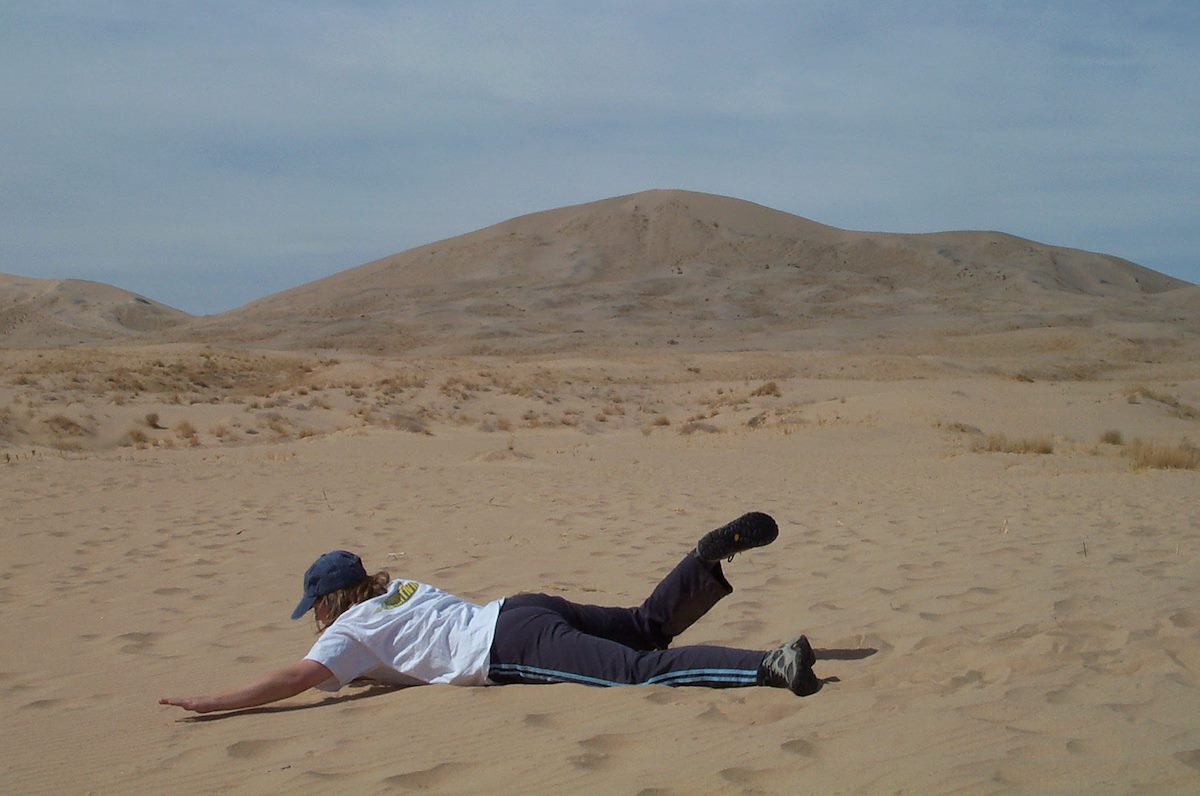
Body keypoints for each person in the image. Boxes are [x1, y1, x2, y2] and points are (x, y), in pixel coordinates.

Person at [159, 512, 820, 714]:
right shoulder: (397, 591)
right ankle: (700, 565)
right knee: (647, 624)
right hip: (520, 606)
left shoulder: (350, 632)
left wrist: (211, 701)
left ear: (329, 603)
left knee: (642, 669)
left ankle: (768, 665)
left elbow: (292, 681)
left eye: (317, 607)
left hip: (510, 647)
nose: (317, 618)